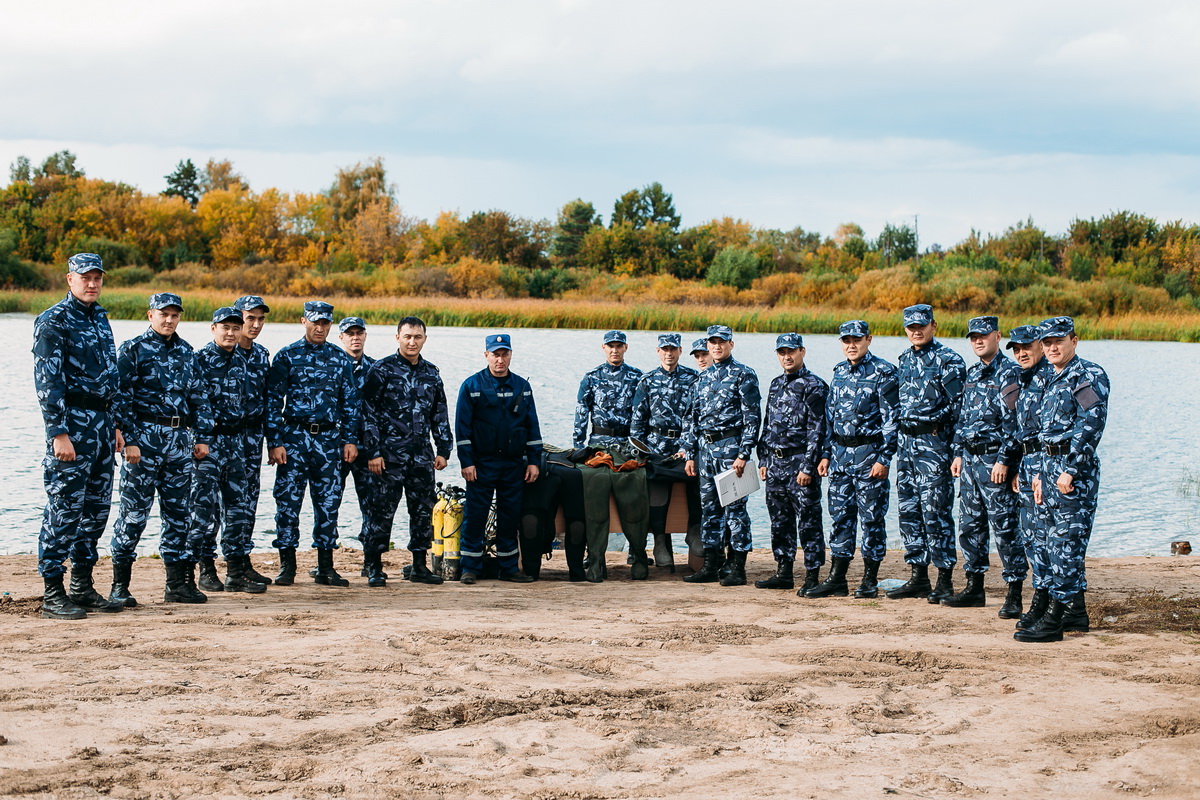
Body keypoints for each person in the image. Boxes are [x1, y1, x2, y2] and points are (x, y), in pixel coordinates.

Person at [32, 253, 124, 620]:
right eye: (85, 277)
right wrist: (58, 433)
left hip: (102, 428)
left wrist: (116, 425)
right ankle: (53, 591)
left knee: (95, 512)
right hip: (72, 427)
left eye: (97, 277)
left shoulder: (100, 317)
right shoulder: (53, 321)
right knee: (64, 509)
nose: (92, 283)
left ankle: (82, 587)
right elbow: (47, 383)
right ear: (69, 279)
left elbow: (111, 378)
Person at [109, 293, 213, 605]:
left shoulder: (186, 351)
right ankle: (119, 586)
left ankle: (176, 585)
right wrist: (128, 439)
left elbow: (199, 397)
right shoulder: (133, 349)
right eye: (163, 314)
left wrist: (203, 436)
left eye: (174, 315)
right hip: (143, 439)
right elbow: (119, 396)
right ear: (150, 315)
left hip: (179, 441)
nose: (168, 320)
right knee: (133, 515)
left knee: (179, 513)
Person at [1015, 317, 1109, 643]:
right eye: (1047, 343)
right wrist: (1040, 473)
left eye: (1059, 341)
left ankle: (1056, 618)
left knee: (1065, 545)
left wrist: (1071, 469)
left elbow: (1091, 424)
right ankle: (1075, 613)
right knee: (1049, 542)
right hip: (1048, 466)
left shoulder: (1086, 375)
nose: (1052, 348)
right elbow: (1044, 434)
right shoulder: (1050, 380)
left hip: (1073, 471)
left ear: (1074, 340)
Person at [266, 301, 360, 587]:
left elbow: (351, 404)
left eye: (325, 323)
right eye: (315, 322)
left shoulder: (340, 358)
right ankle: (287, 566)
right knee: (288, 503)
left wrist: (350, 440)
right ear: (303, 321)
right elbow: (272, 401)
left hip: (330, 441)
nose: (320, 328)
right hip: (294, 439)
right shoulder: (287, 356)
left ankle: (325, 567)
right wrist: (275, 441)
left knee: (329, 504)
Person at [361, 316, 453, 587]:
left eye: (418, 337)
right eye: (408, 336)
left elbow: (440, 413)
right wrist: (373, 452)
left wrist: (443, 449)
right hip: (388, 457)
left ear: (424, 339)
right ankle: (375, 566)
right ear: (397, 337)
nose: (412, 342)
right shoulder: (382, 370)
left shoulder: (431, 373)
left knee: (423, 512)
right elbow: (368, 414)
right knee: (381, 512)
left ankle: (419, 566)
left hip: (421, 456)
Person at [943, 316, 1026, 610]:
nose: (978, 341)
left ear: (998, 337)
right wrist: (957, 453)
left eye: (984, 335)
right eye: (973, 337)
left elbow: (1016, 423)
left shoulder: (1010, 373)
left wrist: (1005, 460)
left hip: (995, 463)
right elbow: (962, 419)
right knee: (970, 526)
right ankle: (974, 587)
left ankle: (1014, 591)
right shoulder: (972, 374)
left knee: (1004, 527)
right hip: (970, 461)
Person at [888, 304, 966, 603]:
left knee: (936, 514)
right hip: (907, 447)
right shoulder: (905, 359)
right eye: (910, 327)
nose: (916, 331)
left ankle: (944, 579)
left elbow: (961, 409)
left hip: (935, 446)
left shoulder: (949, 361)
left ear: (934, 326)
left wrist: (957, 451)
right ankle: (918, 576)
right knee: (909, 512)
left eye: (921, 326)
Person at [816, 320, 899, 600]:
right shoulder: (839, 372)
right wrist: (826, 454)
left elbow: (891, 421)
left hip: (869, 458)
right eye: (846, 340)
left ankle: (869, 579)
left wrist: (884, 458)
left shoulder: (884, 372)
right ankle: (837, 578)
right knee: (840, 517)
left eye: (857, 340)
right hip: (840, 458)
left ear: (869, 339)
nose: (851, 345)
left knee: (872, 519)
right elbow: (830, 419)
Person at [186, 308, 265, 594]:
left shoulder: (242, 361)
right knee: (204, 509)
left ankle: (235, 571)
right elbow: (193, 403)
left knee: (239, 507)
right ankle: (205, 569)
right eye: (225, 328)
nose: (231, 333)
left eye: (235, 327)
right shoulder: (200, 360)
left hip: (237, 443)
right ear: (213, 329)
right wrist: (199, 438)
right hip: (208, 443)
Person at [455, 333, 542, 585]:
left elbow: (532, 426)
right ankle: (470, 567)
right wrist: (466, 462)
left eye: (504, 354)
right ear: (486, 355)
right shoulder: (471, 386)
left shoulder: (522, 387)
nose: (500, 359)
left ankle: (509, 568)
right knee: (476, 515)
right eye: (495, 354)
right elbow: (462, 429)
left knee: (509, 516)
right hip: (481, 464)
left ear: (511, 355)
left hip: (514, 464)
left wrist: (534, 460)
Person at [682, 324, 761, 587]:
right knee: (709, 510)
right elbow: (692, 419)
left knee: (736, 510)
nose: (716, 346)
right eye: (712, 342)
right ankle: (711, 565)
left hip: (731, 449)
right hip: (706, 451)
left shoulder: (744, 374)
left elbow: (752, 417)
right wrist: (691, 453)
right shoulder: (702, 378)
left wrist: (744, 452)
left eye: (722, 342)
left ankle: (737, 568)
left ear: (731, 344)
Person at [756, 333, 828, 594]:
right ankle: (784, 571)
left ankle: (812, 575)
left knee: (808, 521)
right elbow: (768, 424)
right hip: (775, 463)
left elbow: (818, 429)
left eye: (792, 351)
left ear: (802, 352)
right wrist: (763, 458)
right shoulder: (775, 384)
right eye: (781, 352)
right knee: (779, 521)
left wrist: (809, 467)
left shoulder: (814, 385)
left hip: (800, 463)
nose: (787, 356)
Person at [630, 333, 701, 572]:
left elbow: (696, 418)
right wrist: (641, 453)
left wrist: (687, 447)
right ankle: (660, 542)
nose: (669, 353)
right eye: (664, 349)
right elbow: (637, 423)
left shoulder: (693, 379)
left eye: (673, 349)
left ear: (680, 351)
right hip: (656, 447)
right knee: (657, 492)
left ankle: (694, 531)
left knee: (697, 481)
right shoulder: (647, 380)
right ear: (658, 351)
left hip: (684, 446)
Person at [1006, 324, 1055, 629]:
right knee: (1031, 536)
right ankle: (1041, 596)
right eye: (1017, 349)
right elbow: (1019, 430)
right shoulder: (1023, 380)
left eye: (1027, 347)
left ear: (1040, 346)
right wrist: (1015, 465)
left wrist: (1039, 469)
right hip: (1027, 463)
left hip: (1046, 464)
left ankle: (1053, 600)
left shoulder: (1052, 378)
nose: (1022, 353)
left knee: (1049, 535)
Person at [230, 295, 274, 586]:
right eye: (250, 318)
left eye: (260, 319)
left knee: (248, 501)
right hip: (223, 437)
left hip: (252, 438)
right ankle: (211, 568)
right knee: (218, 505)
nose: (255, 325)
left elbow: (269, 401)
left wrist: (273, 440)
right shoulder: (220, 351)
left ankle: (243, 561)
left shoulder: (261, 355)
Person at [337, 317, 376, 559]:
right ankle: (325, 562)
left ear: (364, 336)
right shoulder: (331, 366)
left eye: (359, 333)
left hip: (367, 448)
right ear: (341, 337)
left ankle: (371, 561)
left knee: (372, 506)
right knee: (328, 505)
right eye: (349, 333)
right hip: (335, 447)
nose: (355, 337)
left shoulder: (376, 369)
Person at [574, 330, 643, 450]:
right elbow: (581, 412)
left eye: (619, 346)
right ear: (603, 347)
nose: (614, 351)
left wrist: (638, 445)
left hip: (627, 444)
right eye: (610, 346)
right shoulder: (592, 377)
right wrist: (578, 446)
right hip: (598, 443)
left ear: (625, 347)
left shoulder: (637, 377)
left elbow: (643, 413)